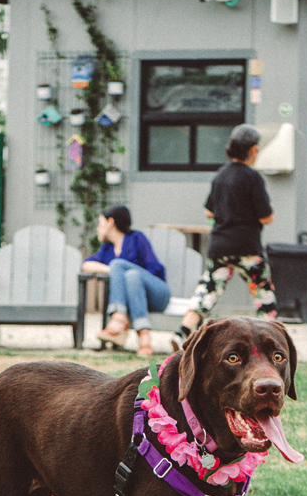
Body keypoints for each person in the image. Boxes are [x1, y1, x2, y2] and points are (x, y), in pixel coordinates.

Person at [172, 123, 277, 352]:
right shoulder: (252, 178)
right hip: (247, 247)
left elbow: (209, 211)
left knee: (207, 291)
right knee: (263, 293)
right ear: (253, 150)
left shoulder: (220, 175)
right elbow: (266, 217)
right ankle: (272, 342)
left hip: (219, 246)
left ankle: (182, 332)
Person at [82, 205, 171, 356]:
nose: (98, 228)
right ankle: (144, 341)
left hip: (158, 294)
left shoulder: (136, 238)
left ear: (110, 222)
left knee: (127, 271)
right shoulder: (107, 249)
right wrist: (119, 272)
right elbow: (86, 265)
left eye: (100, 223)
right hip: (136, 301)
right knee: (131, 276)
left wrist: (120, 268)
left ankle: (118, 318)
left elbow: (155, 268)